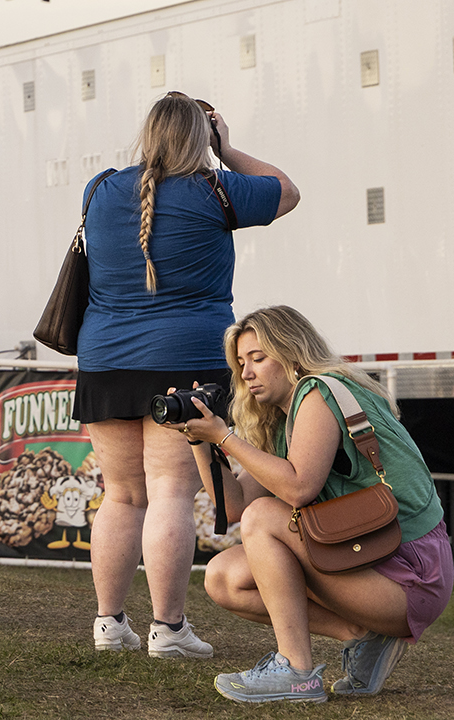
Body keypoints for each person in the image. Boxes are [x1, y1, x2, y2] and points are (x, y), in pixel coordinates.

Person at [73, 91, 298, 657]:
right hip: (187, 358)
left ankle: (109, 624)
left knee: (121, 496)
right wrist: (228, 149)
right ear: (202, 137)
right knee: (172, 492)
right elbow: (288, 191)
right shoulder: (218, 189)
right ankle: (168, 630)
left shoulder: (99, 189)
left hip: (104, 358)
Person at [171, 306, 449, 703]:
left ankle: (296, 672)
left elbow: (298, 489)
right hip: (369, 564)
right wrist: (200, 440)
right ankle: (365, 638)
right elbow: (231, 509)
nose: (246, 373)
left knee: (265, 518)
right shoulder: (285, 425)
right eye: (240, 363)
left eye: (258, 358)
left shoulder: (318, 392)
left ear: (291, 352)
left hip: (410, 574)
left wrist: (226, 438)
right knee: (223, 577)